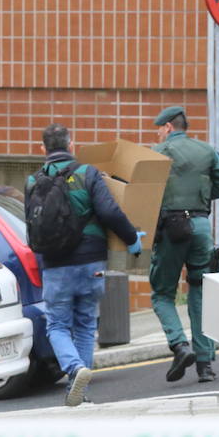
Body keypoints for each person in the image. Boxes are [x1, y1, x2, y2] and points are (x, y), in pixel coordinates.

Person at [26, 123, 144, 407]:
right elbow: (109, 211)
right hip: (91, 261)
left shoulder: (33, 181)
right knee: (84, 324)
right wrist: (132, 239)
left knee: (56, 325)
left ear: (42, 149)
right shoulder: (87, 174)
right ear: (71, 144)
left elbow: (31, 228)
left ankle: (74, 370)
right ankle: (79, 386)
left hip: (55, 265)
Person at [150, 106, 219, 384]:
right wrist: (201, 195)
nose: (159, 134)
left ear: (168, 128)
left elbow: (142, 193)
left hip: (171, 228)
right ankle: (205, 364)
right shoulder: (206, 150)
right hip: (201, 226)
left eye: (159, 129)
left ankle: (179, 345)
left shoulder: (157, 153)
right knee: (199, 291)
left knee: (162, 293)